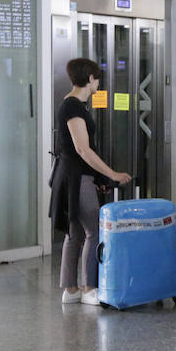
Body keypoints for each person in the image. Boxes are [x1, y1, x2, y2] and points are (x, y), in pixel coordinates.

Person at [50, 58, 132, 305]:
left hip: (73, 176)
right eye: (97, 78)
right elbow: (83, 149)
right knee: (93, 230)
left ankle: (71, 289)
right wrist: (112, 174)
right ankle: (88, 288)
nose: (99, 82)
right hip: (75, 177)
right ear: (90, 79)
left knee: (74, 231)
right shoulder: (73, 107)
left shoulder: (76, 106)